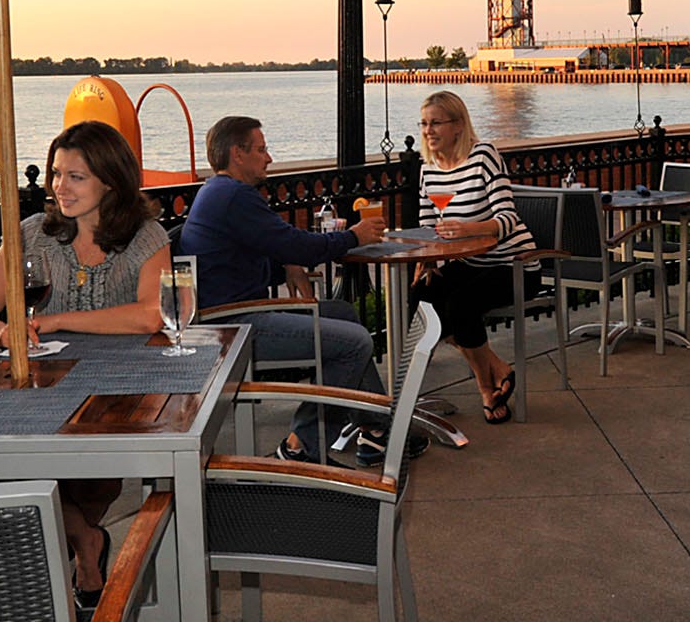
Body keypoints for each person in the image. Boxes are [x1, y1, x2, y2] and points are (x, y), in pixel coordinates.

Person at [0, 120, 169, 607]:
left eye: (76, 176)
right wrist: (2, 329)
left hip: (115, 390)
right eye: (57, 174)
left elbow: (151, 314)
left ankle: (74, 547)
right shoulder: (32, 234)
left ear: (111, 181)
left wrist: (58, 320)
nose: (60, 186)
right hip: (40, 388)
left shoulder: (146, 236)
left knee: (91, 473)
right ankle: (85, 543)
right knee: (15, 462)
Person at [183, 115, 393, 466]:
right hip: (234, 327)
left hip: (233, 313)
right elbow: (298, 244)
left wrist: (287, 267)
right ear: (237, 153)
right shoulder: (234, 196)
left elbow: (247, 258)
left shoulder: (215, 191)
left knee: (342, 313)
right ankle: (301, 446)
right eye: (261, 149)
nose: (269, 158)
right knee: (355, 343)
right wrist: (353, 236)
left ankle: (374, 426)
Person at [410, 91, 533, 425]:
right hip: (471, 263)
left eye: (436, 123)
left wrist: (468, 229)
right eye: (424, 124)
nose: (428, 130)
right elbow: (428, 226)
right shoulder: (428, 170)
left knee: (460, 305)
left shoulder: (483, 156)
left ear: (458, 125)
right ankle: (497, 367)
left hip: (513, 263)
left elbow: (507, 218)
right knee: (421, 299)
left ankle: (485, 388)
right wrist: (428, 259)